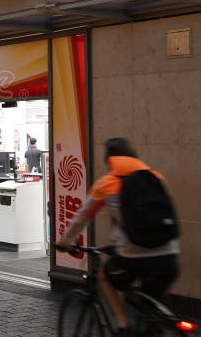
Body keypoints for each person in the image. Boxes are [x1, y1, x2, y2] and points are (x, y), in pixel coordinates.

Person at [56, 138, 179, 336]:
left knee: (105, 276)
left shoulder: (106, 184)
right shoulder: (156, 178)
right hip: (169, 255)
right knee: (149, 306)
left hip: (133, 256)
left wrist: (65, 242)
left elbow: (82, 217)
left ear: (109, 160)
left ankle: (122, 325)